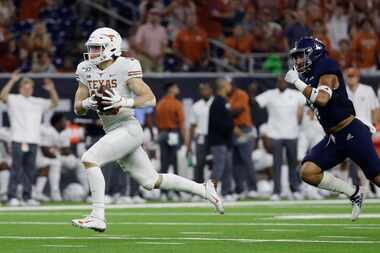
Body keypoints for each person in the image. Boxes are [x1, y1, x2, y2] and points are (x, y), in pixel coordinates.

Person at [71, 27, 223, 232]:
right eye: (92, 48)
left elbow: (150, 99)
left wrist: (123, 100)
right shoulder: (85, 68)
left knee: (90, 159)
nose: (93, 53)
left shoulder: (126, 66)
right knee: (151, 181)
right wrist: (88, 102)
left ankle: (98, 216)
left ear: (111, 47)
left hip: (128, 128)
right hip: (112, 130)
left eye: (98, 48)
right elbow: (77, 108)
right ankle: (204, 189)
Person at [285, 36, 380, 221]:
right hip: (335, 137)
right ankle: (354, 193)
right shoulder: (310, 74)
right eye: (295, 57)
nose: (297, 61)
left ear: (314, 53)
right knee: (308, 171)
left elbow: (322, 99)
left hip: (351, 132)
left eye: (300, 56)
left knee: (376, 177)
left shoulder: (326, 68)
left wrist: (297, 83)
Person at [0, 73, 59, 206]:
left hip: (33, 141)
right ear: (20, 88)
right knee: (16, 169)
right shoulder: (13, 98)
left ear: (32, 89)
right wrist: (12, 81)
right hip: (17, 139)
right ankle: (12, 197)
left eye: (29, 88)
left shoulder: (38, 102)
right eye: (25, 88)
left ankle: (27, 197)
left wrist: (51, 89)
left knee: (29, 171)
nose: (27, 90)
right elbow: (2, 96)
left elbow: (55, 103)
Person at [256, 76, 305, 201]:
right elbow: (256, 103)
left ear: (288, 83)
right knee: (276, 164)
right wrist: (252, 92)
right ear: (276, 83)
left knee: (293, 164)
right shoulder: (270, 94)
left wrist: (301, 115)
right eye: (279, 81)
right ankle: (276, 191)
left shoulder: (296, 95)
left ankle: (295, 189)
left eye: (284, 81)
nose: (282, 83)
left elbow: (303, 107)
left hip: (292, 133)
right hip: (275, 134)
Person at [345, 67, 380, 192]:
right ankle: (356, 186)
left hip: (365, 128)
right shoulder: (343, 91)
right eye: (349, 76)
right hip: (349, 129)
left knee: (368, 158)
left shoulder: (367, 90)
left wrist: (375, 126)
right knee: (352, 160)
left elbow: (375, 108)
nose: (351, 79)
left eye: (353, 76)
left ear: (358, 77)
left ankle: (371, 186)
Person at [155, 82, 185, 201]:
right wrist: (185, 139)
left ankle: (163, 192)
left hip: (162, 133)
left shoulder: (160, 104)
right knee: (174, 164)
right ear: (171, 89)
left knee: (164, 164)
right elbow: (182, 124)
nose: (178, 89)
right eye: (176, 87)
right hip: (173, 133)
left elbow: (156, 121)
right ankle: (176, 193)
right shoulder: (176, 104)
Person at [228, 82, 257, 198]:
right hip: (232, 130)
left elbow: (236, 111)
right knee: (235, 162)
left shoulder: (241, 94)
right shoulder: (225, 96)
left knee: (246, 159)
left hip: (244, 129)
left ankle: (252, 188)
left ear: (233, 85)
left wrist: (224, 112)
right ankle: (239, 189)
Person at [208, 78, 234, 199]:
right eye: (228, 84)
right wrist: (231, 127)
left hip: (225, 141)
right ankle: (210, 192)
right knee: (218, 168)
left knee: (227, 168)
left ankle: (227, 192)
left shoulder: (224, 100)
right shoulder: (218, 102)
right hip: (219, 141)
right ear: (223, 86)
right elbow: (218, 123)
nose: (230, 86)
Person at [187, 83, 214, 184]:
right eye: (202, 90)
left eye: (206, 89)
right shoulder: (196, 106)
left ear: (211, 90)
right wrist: (189, 144)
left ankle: (215, 186)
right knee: (199, 163)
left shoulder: (216, 103)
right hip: (201, 137)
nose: (205, 92)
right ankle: (199, 186)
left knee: (214, 163)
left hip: (214, 137)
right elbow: (192, 126)